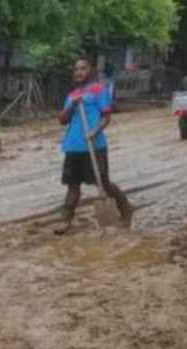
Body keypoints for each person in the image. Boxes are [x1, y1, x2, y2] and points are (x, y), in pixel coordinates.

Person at [55, 55, 133, 235]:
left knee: (104, 184)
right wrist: (72, 106)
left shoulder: (99, 90)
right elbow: (62, 120)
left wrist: (94, 131)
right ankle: (65, 221)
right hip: (73, 146)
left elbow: (106, 117)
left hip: (94, 145)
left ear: (90, 70)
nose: (79, 72)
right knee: (72, 185)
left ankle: (126, 210)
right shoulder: (72, 95)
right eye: (76, 69)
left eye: (83, 68)